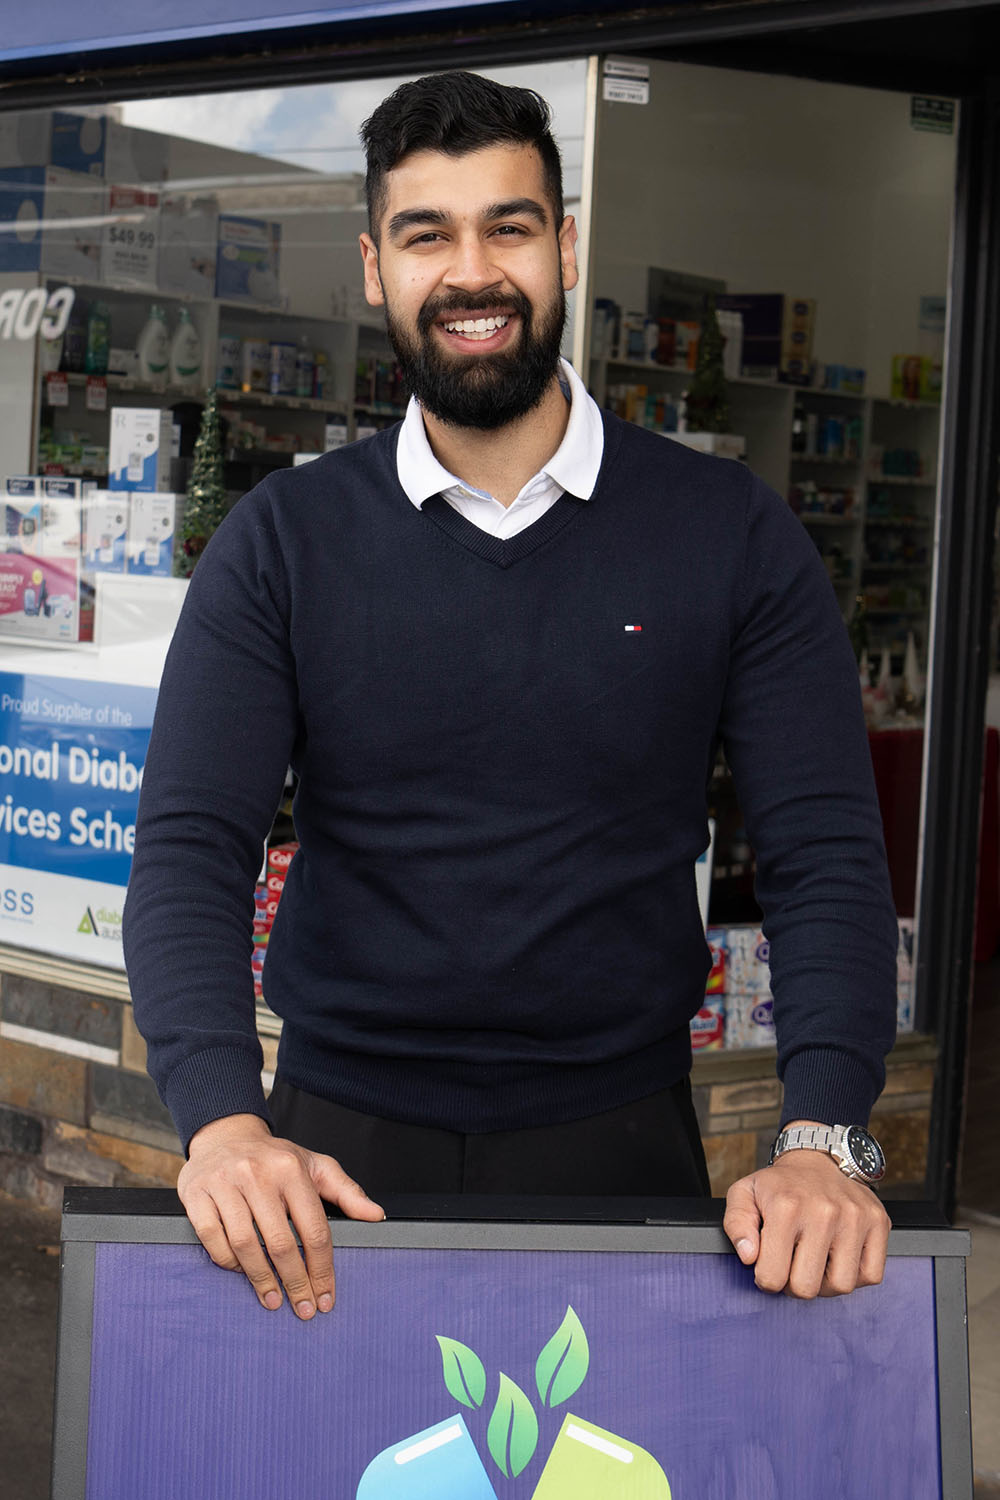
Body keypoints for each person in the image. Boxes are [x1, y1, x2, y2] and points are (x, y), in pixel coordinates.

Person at [123, 70, 898, 1324]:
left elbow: (825, 857)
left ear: (565, 248)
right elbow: (189, 848)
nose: (471, 273)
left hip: (623, 1147)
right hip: (327, 1160)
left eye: (509, 227)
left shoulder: (730, 533)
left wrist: (821, 1139)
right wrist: (221, 1121)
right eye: (426, 234)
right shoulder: (283, 542)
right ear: (374, 268)